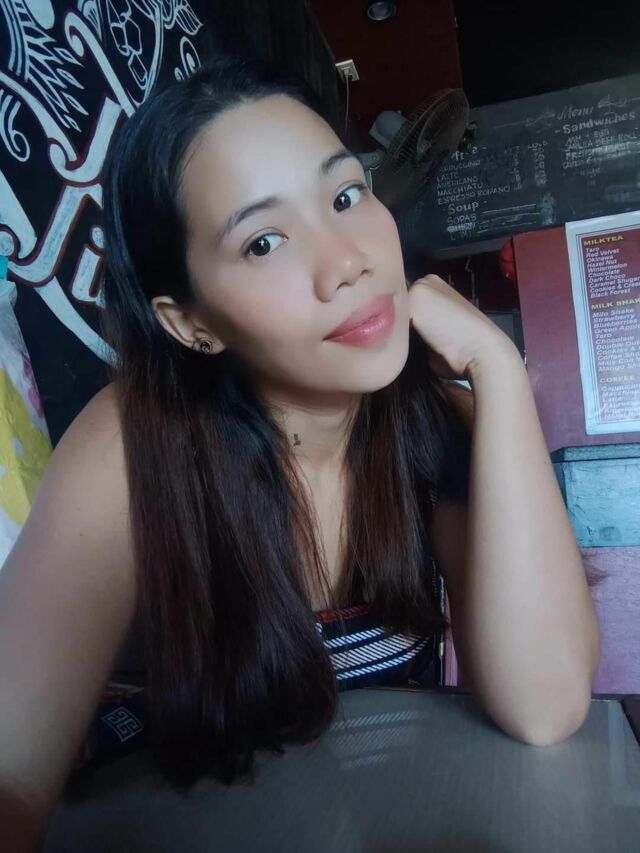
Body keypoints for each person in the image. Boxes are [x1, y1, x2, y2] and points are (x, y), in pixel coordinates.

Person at [0, 54, 601, 848]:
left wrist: (499, 374)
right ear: (190, 323)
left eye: (346, 196)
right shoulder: (130, 448)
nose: (347, 261)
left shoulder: (433, 421)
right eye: (264, 242)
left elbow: (544, 704)